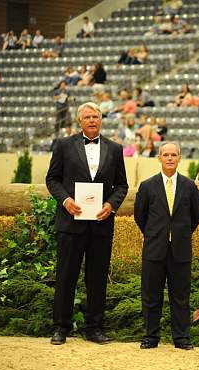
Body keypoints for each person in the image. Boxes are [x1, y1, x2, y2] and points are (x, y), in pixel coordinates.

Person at [45, 102, 129, 345]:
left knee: (97, 278)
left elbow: (121, 185)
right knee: (65, 277)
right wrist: (65, 200)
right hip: (70, 224)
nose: (92, 120)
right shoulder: (63, 145)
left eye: (96, 117)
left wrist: (111, 205)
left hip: (101, 225)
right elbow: (52, 179)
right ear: (79, 121)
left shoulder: (115, 149)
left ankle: (94, 328)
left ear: (101, 120)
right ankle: (61, 327)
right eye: (87, 117)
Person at [134, 141, 199, 350]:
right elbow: (140, 216)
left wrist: (179, 235)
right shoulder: (147, 186)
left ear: (179, 158)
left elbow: (196, 216)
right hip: (154, 249)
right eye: (166, 155)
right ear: (159, 158)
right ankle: (150, 337)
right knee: (151, 295)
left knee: (180, 297)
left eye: (174, 155)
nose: (170, 158)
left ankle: (181, 339)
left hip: (180, 251)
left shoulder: (190, 187)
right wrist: (155, 234)